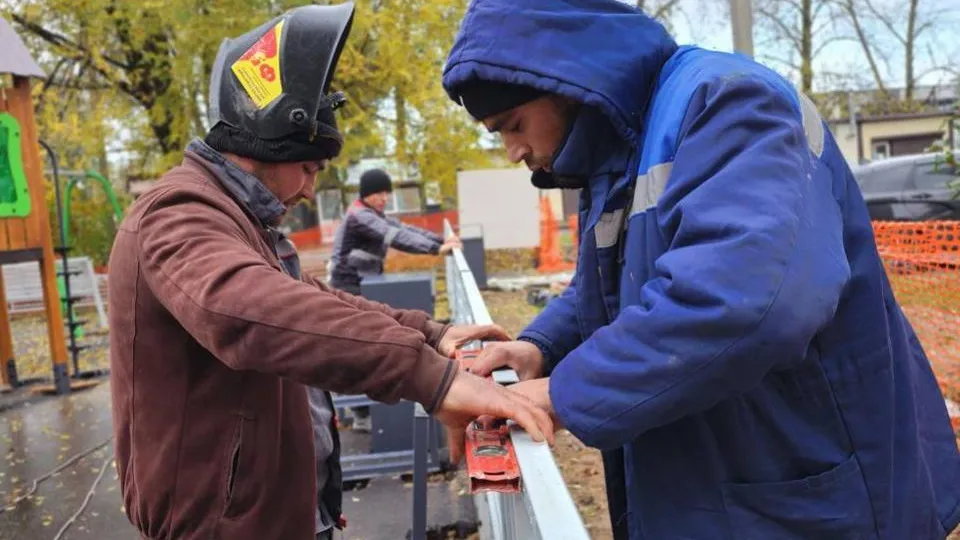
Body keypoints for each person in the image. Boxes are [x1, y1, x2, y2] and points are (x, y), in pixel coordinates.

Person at [442, 0, 960, 538]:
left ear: (563, 81)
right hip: (726, 483)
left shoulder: (728, 103)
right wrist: (541, 347)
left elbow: (744, 301)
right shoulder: (618, 150)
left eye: (513, 124)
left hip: (807, 489)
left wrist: (559, 393)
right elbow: (616, 285)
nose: (511, 151)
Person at [107, 5, 553, 540]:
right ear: (269, 138)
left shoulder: (237, 218)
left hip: (274, 516)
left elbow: (309, 298)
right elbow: (248, 310)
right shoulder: (177, 212)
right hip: (226, 526)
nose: (309, 190)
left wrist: (430, 336)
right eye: (311, 168)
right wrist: (432, 381)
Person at [327, 167, 462, 296]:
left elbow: (404, 229)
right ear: (366, 194)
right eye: (379, 193)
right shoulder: (360, 216)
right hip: (348, 285)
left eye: (387, 193)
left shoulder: (374, 214)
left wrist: (440, 241)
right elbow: (395, 236)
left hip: (364, 280)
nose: (385, 198)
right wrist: (436, 248)